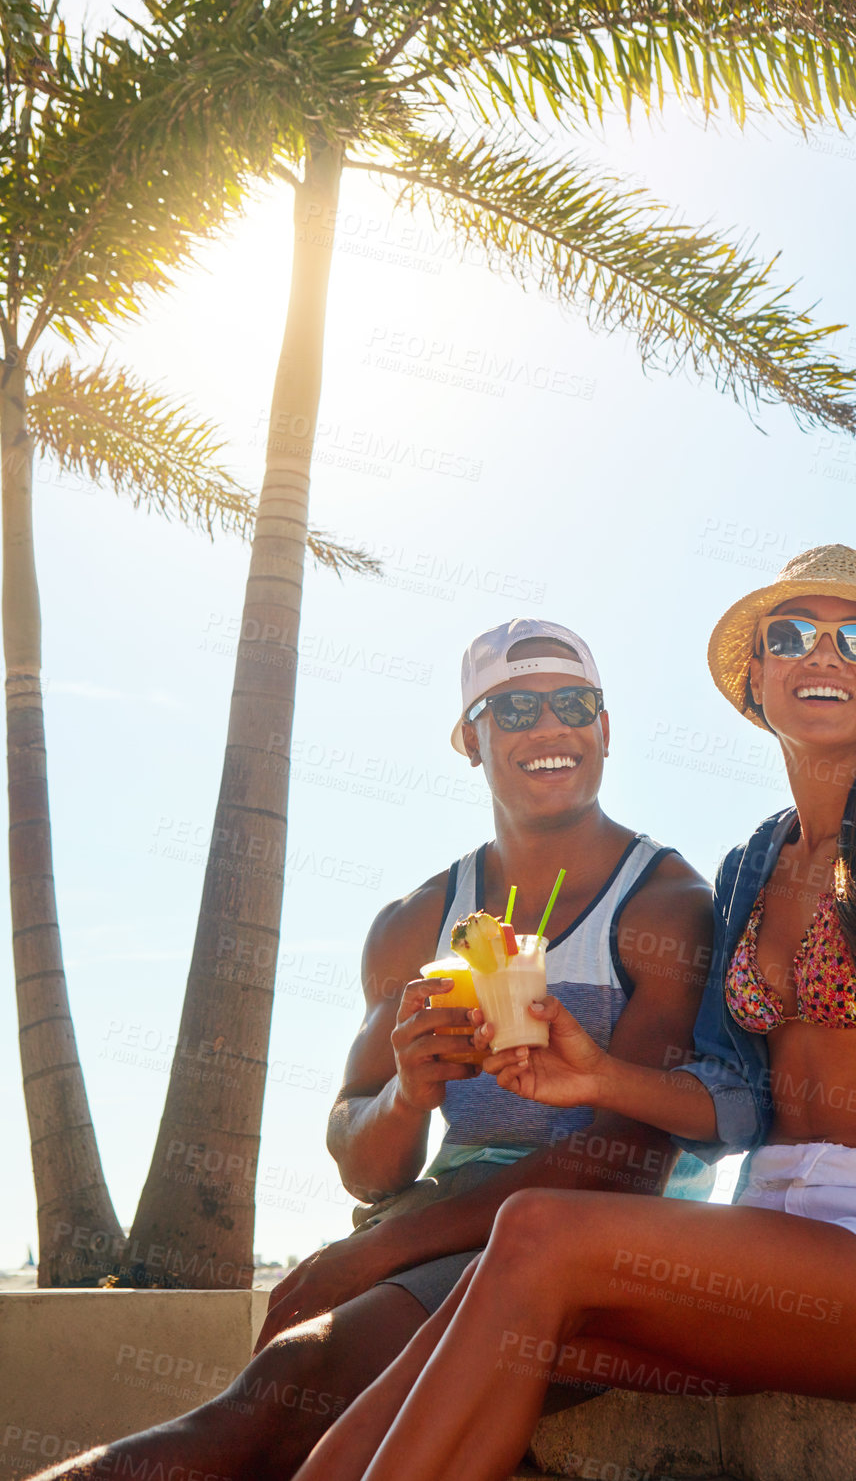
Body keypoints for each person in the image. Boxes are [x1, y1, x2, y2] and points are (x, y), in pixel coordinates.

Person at [287, 544, 856, 1481]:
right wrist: (595, 1073)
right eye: (791, 635)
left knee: (537, 1231)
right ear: (756, 679)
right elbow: (738, 1099)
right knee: (488, 1310)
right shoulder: (754, 863)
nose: (823, 656)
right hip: (768, 1225)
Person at [36, 619, 712, 1481]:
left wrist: (373, 1251)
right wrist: (407, 1094)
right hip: (442, 1225)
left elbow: (626, 1167)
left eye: (573, 703)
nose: (549, 728)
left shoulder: (664, 907)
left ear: (606, 729)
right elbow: (365, 1163)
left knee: (288, 1391)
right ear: (470, 739)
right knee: (301, 1401)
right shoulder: (414, 924)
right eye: (514, 709)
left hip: (593, 1244)